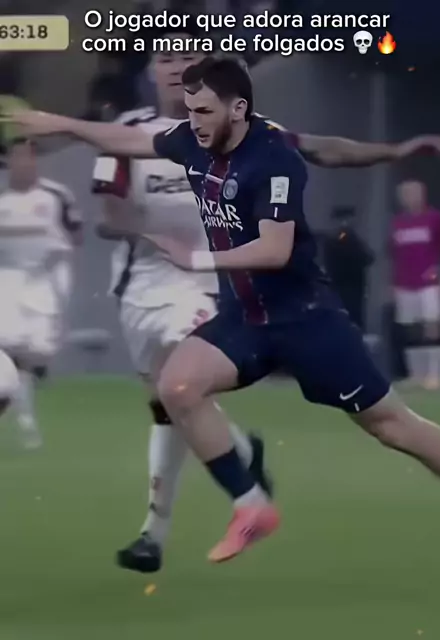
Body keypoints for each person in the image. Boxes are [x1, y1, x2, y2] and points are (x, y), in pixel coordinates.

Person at [9, 58, 440, 568]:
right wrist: (61, 124)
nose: (193, 122)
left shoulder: (274, 158)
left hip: (304, 319)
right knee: (177, 387)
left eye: (204, 111)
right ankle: (251, 505)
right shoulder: (192, 139)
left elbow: (275, 249)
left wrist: (196, 259)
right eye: (190, 112)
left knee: (393, 426)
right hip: (245, 318)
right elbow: (127, 141)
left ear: (238, 109)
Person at [91, 32, 270, 574]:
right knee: (166, 405)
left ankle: (155, 534)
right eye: (165, 58)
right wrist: (145, 231)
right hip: (141, 287)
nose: (175, 68)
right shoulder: (126, 134)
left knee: (179, 387)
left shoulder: (235, 132)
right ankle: (242, 454)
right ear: (151, 69)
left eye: (187, 58)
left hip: (208, 285)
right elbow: (107, 218)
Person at [0, 137, 82, 448]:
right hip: (9, 279)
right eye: (16, 157)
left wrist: (59, 263)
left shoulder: (55, 196)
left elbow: (76, 233)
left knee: (39, 349)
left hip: (46, 278)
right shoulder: (3, 201)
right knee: (11, 348)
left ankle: (28, 382)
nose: (22, 163)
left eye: (27, 157)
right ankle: (25, 419)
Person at [389, 180, 440, 389]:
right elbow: (394, 255)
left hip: (428, 283)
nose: (410, 198)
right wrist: (393, 282)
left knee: (432, 326)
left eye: (414, 193)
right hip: (405, 283)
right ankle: (416, 374)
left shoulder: (434, 218)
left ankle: (435, 374)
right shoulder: (397, 222)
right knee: (410, 328)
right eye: (405, 194)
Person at [322, 206, 374, 331]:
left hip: (354, 286)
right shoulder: (336, 240)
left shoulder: (353, 239)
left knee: (354, 317)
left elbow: (368, 257)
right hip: (342, 285)